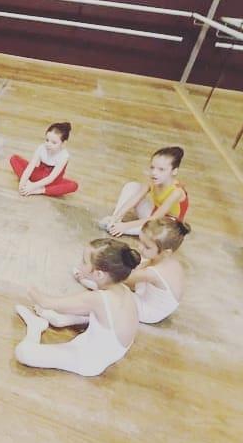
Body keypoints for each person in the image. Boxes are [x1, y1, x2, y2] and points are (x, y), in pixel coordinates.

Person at [15, 238, 140, 376]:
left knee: (23, 353)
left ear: (99, 274)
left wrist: (30, 288)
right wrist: (83, 278)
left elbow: (47, 303)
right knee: (77, 313)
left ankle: (36, 326)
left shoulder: (97, 299)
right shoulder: (123, 290)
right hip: (107, 350)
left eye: (84, 262)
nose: (79, 265)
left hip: (87, 361)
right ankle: (59, 320)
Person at [99, 146, 189, 237]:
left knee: (153, 232)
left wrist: (126, 226)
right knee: (132, 186)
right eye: (152, 167)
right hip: (153, 217)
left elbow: (155, 218)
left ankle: (117, 228)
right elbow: (135, 198)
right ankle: (113, 221)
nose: (154, 173)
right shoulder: (153, 181)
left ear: (174, 171)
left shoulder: (176, 192)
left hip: (168, 227)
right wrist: (117, 215)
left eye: (161, 169)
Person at [9, 122, 79, 197]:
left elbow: (51, 178)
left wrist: (32, 186)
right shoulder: (41, 148)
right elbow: (30, 167)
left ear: (63, 143)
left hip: (52, 182)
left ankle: (40, 190)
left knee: (73, 185)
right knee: (14, 158)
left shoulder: (64, 156)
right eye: (47, 140)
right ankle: (29, 183)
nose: (49, 144)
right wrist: (22, 184)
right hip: (37, 175)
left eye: (54, 143)